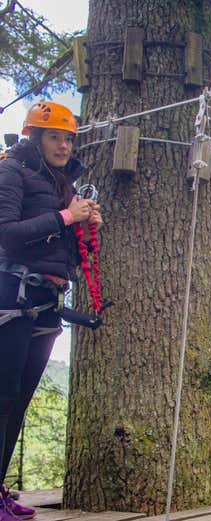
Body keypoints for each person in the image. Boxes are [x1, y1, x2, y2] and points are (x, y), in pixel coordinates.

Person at [0, 101, 101, 520]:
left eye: (68, 138)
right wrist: (65, 216)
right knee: (2, 398)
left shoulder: (61, 182)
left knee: (19, 400)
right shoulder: (11, 171)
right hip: (12, 295)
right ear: (35, 137)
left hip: (44, 302)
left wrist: (85, 225)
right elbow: (6, 235)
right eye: (55, 136)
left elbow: (65, 254)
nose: (63, 145)